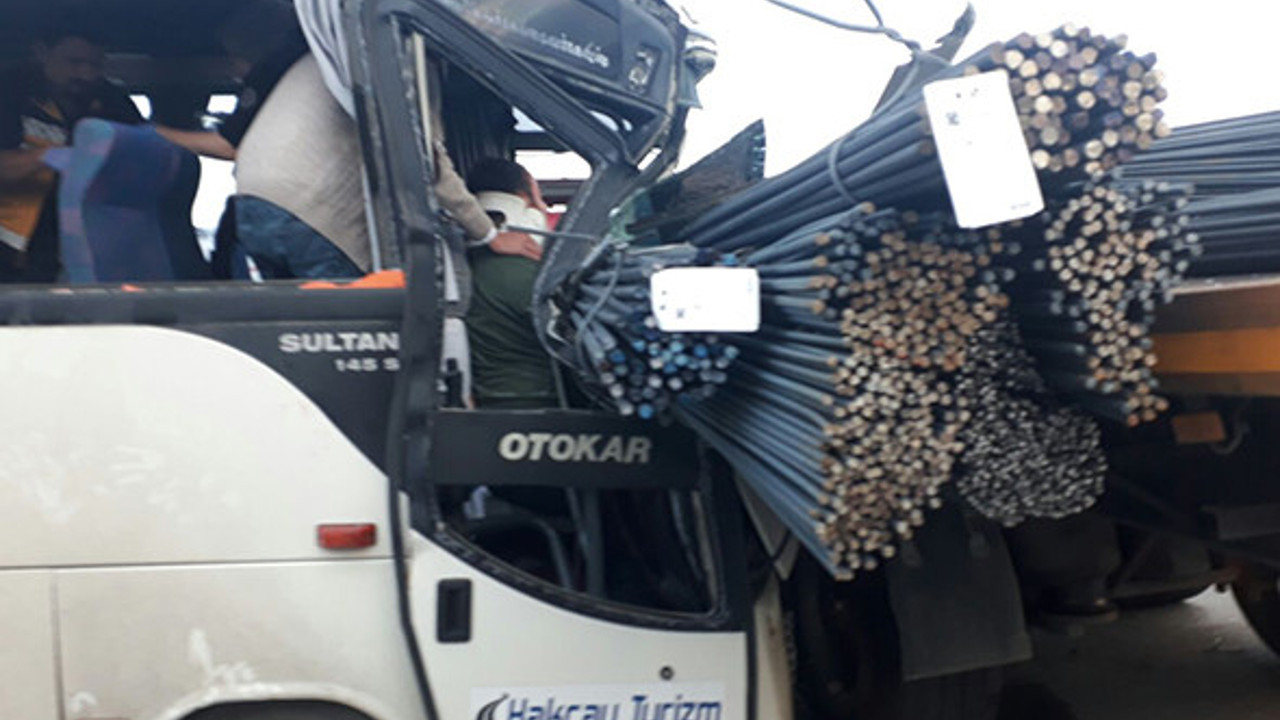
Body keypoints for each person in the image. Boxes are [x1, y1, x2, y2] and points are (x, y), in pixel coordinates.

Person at [0, 24, 144, 282]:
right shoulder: (9, 92)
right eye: (74, 62)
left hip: (85, 242)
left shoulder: (114, 102)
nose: (85, 73)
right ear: (42, 52)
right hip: (9, 240)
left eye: (95, 65)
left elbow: (141, 157)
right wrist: (46, 157)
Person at [464, 158, 559, 409]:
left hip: (484, 401)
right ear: (524, 201)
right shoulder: (530, 277)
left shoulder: (459, 265)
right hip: (536, 401)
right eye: (537, 198)